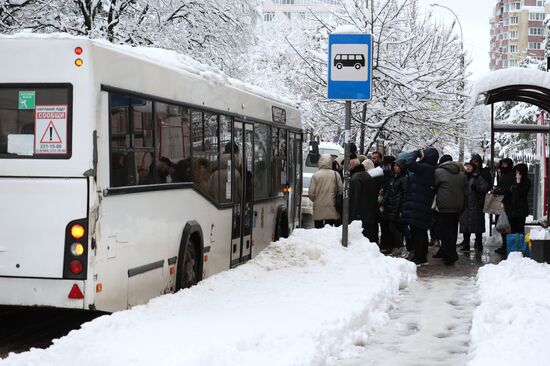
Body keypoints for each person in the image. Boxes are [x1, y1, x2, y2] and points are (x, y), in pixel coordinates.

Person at [401, 148, 439, 266]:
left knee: (418, 231)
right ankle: (421, 255)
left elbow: (409, 163)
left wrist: (416, 152)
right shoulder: (427, 168)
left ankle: (420, 257)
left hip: (419, 203)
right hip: (419, 202)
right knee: (419, 230)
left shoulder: (425, 168)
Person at [434, 155, 468, 265]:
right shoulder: (461, 174)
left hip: (444, 206)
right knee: (453, 231)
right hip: (457, 206)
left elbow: (433, 187)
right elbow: (466, 192)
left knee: (444, 231)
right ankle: (448, 253)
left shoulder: (438, 172)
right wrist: (463, 205)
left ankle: (450, 255)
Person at [350, 159, 384, 243]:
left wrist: (353, 214)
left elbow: (356, 198)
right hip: (370, 212)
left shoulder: (357, 178)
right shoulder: (368, 177)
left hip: (362, 213)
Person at [459, 161, 490, 252]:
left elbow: (486, 187)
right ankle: (466, 244)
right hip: (465, 205)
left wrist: (477, 188)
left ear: (473, 168)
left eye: (470, 166)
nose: (468, 168)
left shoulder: (477, 177)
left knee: (477, 226)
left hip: (475, 205)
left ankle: (479, 244)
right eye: (467, 166)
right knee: (465, 225)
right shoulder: (463, 177)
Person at [308, 154, 343, 228]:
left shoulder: (316, 175)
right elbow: (341, 190)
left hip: (318, 208)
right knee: (330, 230)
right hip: (332, 209)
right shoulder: (336, 174)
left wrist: (316, 200)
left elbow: (311, 194)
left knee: (318, 230)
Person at [382, 159, 408, 256]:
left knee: (394, 227)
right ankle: (397, 247)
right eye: (395, 165)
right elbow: (389, 191)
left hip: (397, 207)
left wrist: (402, 208)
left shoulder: (404, 179)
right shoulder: (393, 177)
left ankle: (401, 247)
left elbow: (405, 194)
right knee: (391, 227)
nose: (395, 167)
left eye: (397, 166)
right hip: (390, 206)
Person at [493, 158, 515, 254]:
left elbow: (509, 189)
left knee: (507, 226)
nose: (503, 166)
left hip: (507, 203)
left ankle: (507, 246)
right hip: (501, 202)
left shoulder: (510, 175)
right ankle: (504, 245)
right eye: (502, 164)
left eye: (505, 164)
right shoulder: (502, 174)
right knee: (502, 225)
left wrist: (500, 190)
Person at [508, 163, 531, 234]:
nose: (516, 172)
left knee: (519, 229)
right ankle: (513, 244)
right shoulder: (514, 180)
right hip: (513, 209)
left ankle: (519, 244)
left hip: (521, 210)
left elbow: (522, 193)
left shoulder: (526, 181)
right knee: (512, 229)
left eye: (517, 171)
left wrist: (518, 183)